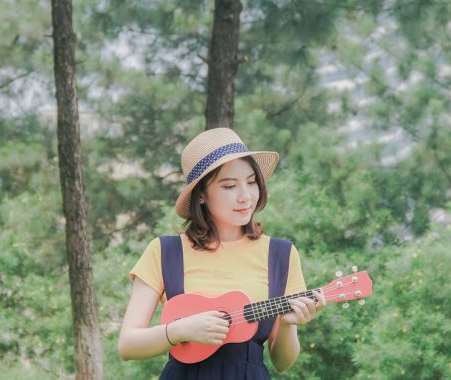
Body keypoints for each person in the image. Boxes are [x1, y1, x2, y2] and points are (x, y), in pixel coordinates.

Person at [118, 128, 325, 379]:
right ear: (202, 194)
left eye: (251, 182)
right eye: (229, 186)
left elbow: (282, 362)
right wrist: (180, 330)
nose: (245, 196)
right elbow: (127, 345)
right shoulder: (165, 251)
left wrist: (289, 324)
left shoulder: (280, 254)